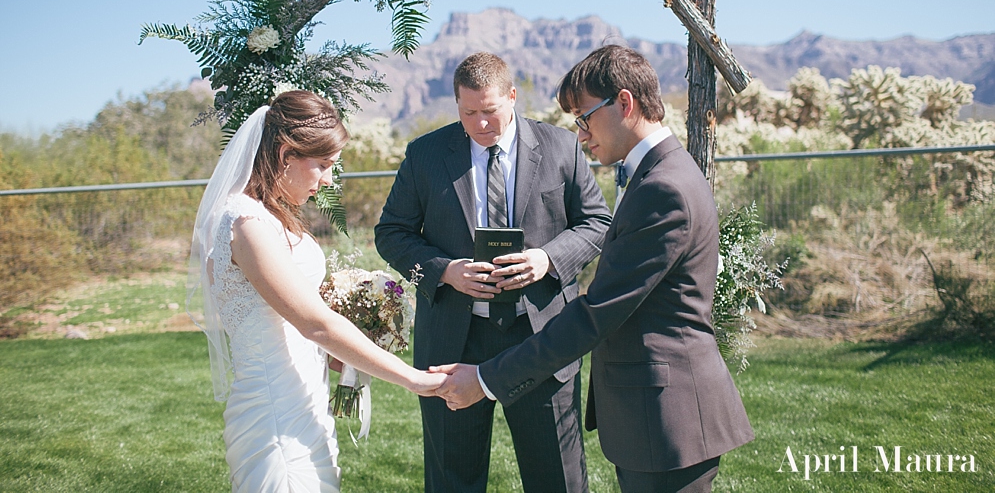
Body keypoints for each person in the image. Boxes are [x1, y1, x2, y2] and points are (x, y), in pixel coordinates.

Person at [435, 46, 755, 493]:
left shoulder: (664, 189)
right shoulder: (657, 175)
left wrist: (486, 379)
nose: (581, 134)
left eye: (584, 117)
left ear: (624, 103)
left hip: (669, 418)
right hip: (655, 418)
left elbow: (596, 314)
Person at [375, 52, 611, 493]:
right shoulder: (425, 154)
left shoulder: (561, 146)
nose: (480, 123)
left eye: (490, 111)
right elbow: (390, 233)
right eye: (468, 113)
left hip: (543, 337)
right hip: (453, 340)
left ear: (513, 96)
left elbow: (598, 223)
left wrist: (547, 259)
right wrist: (444, 272)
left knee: (556, 479)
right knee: (452, 482)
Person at [188, 90, 445, 493]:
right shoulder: (246, 224)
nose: (328, 180)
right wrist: (413, 380)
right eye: (323, 165)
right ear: (286, 155)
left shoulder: (269, 215)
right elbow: (315, 323)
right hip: (275, 412)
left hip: (308, 396)